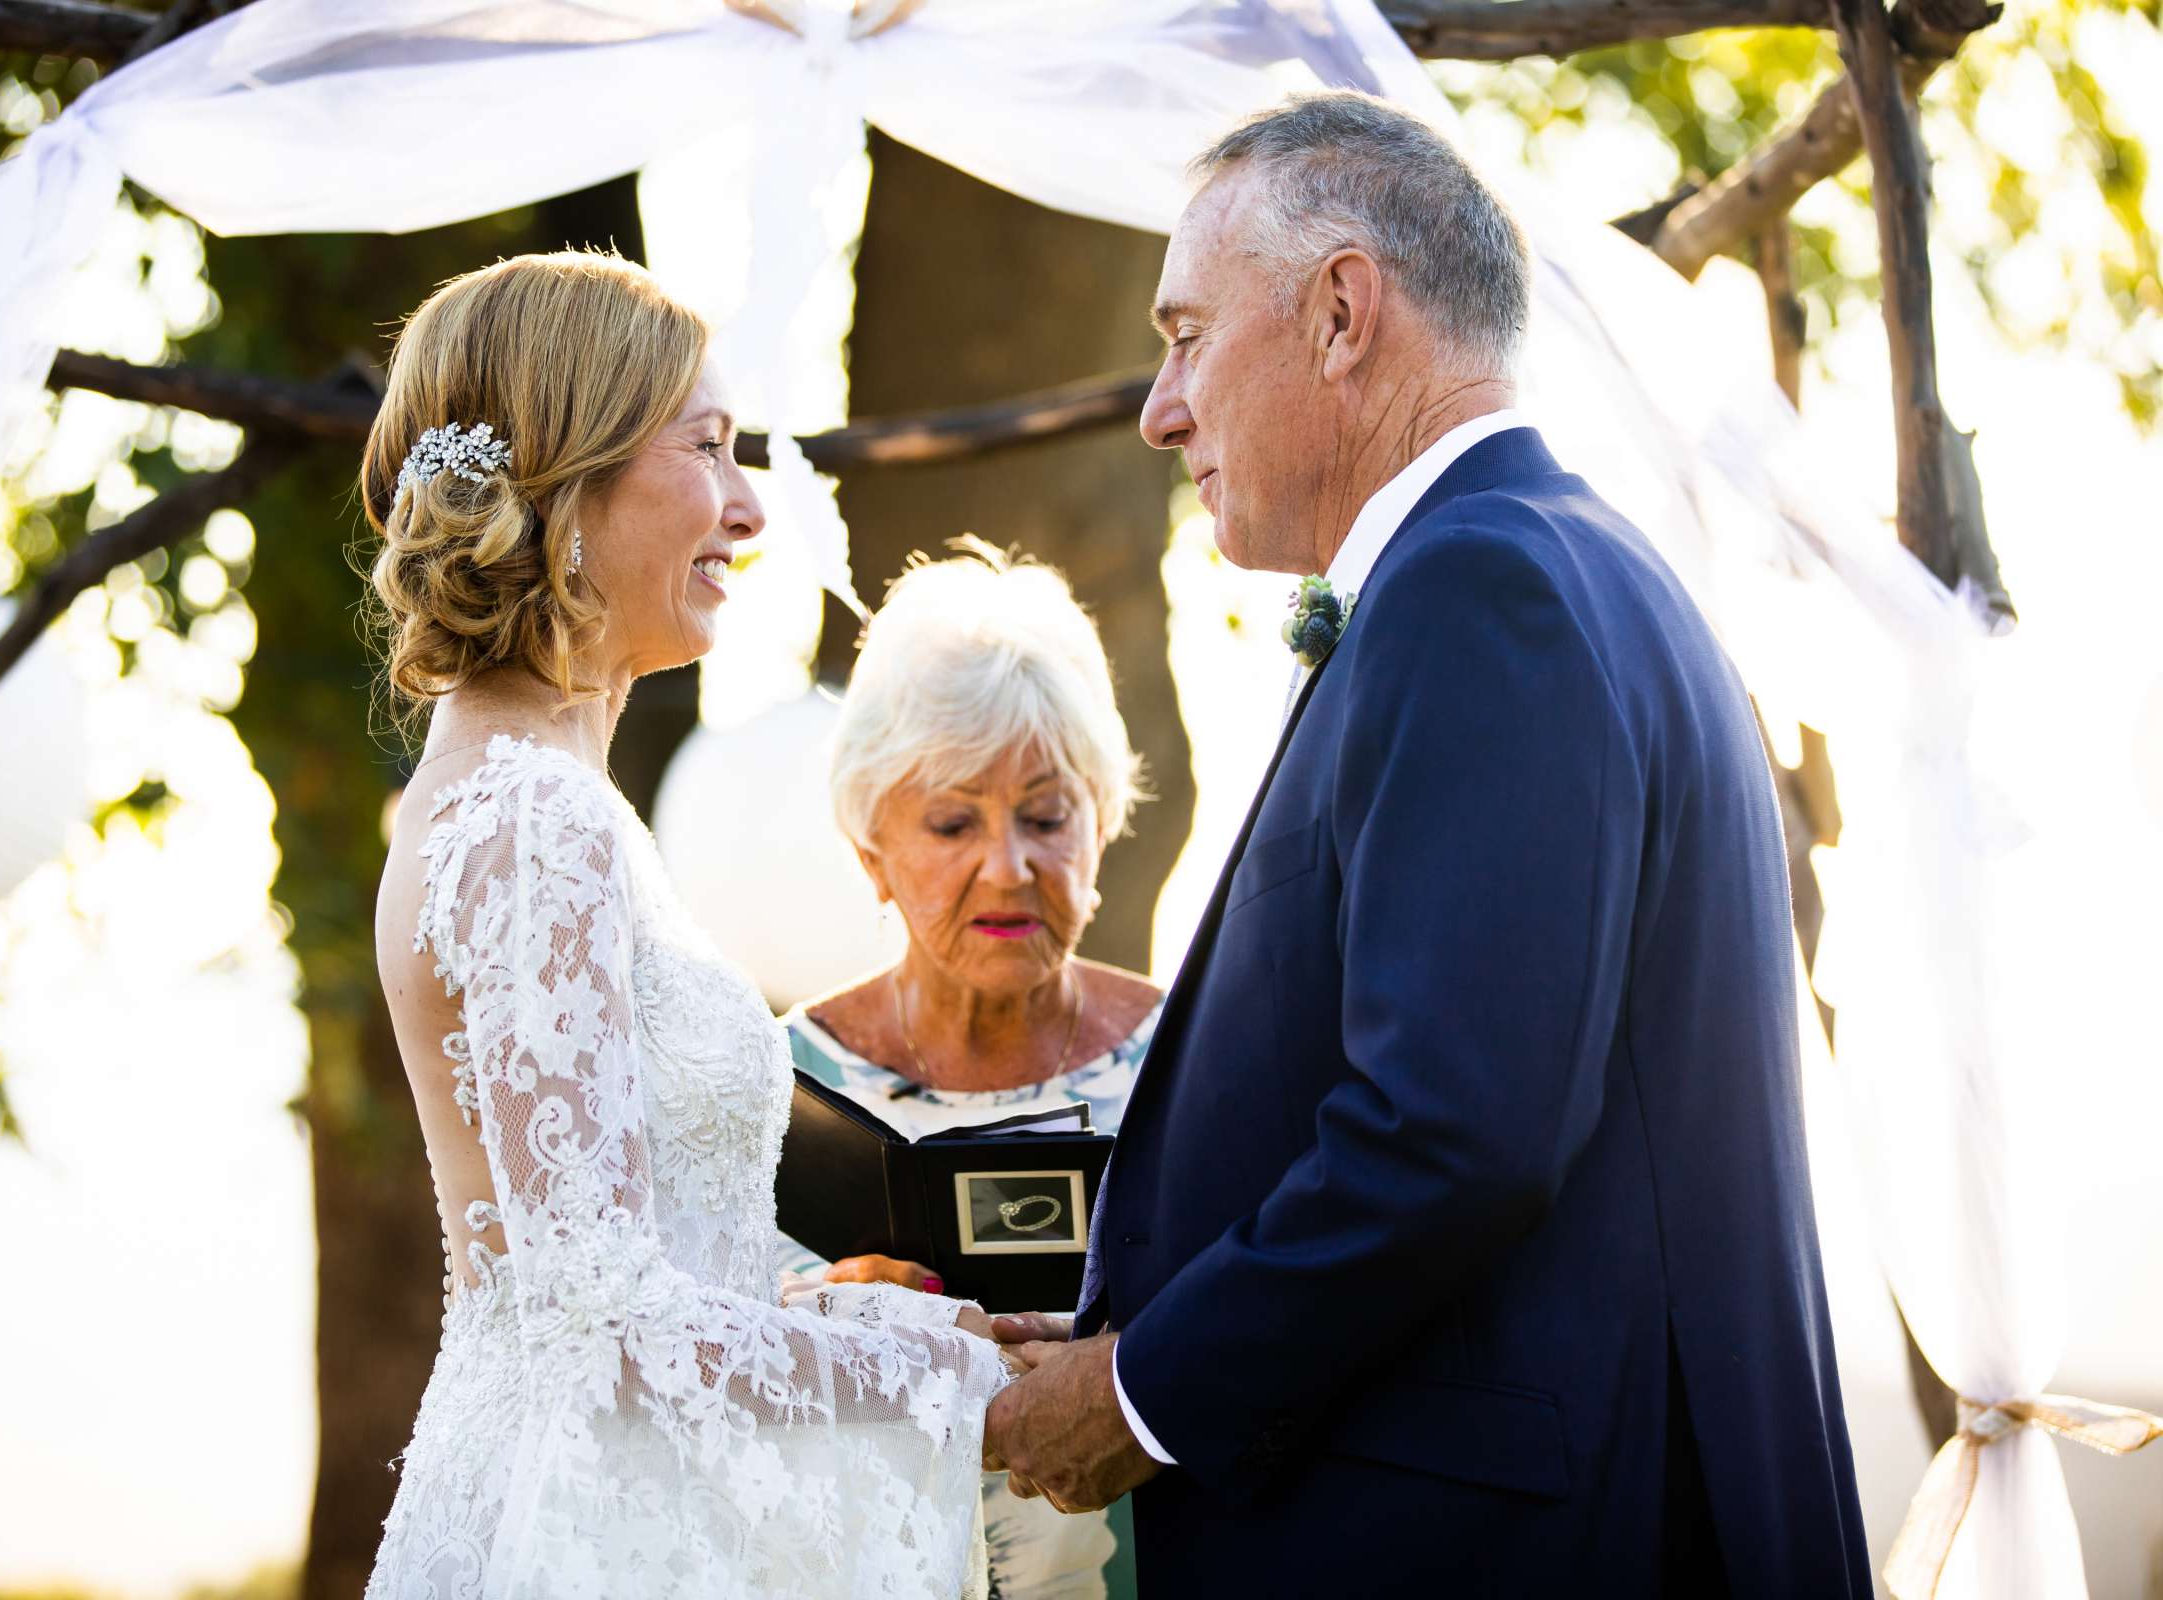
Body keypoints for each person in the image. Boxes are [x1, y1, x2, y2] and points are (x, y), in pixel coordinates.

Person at [982, 90, 1872, 1597]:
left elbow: (1453, 1128)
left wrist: (1140, 1395)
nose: (1159, 405)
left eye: (1187, 333)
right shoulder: (1562, 564)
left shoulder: (1484, 597)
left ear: (1341, 313)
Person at [361, 251, 1016, 1600]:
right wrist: (967, 1379)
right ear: (572, 470)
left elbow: (601, 1276)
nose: (750, 508)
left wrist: (829, 1308)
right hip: (588, 1540)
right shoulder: (535, 820)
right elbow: (602, 1331)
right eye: (710, 450)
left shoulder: (523, 797)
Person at [779, 543, 1164, 1600]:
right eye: (953, 821)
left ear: (1101, 817)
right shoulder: (775, 1090)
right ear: (871, 848)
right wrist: (815, 1322)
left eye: (1047, 815)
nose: (1010, 865)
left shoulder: (1199, 1059)